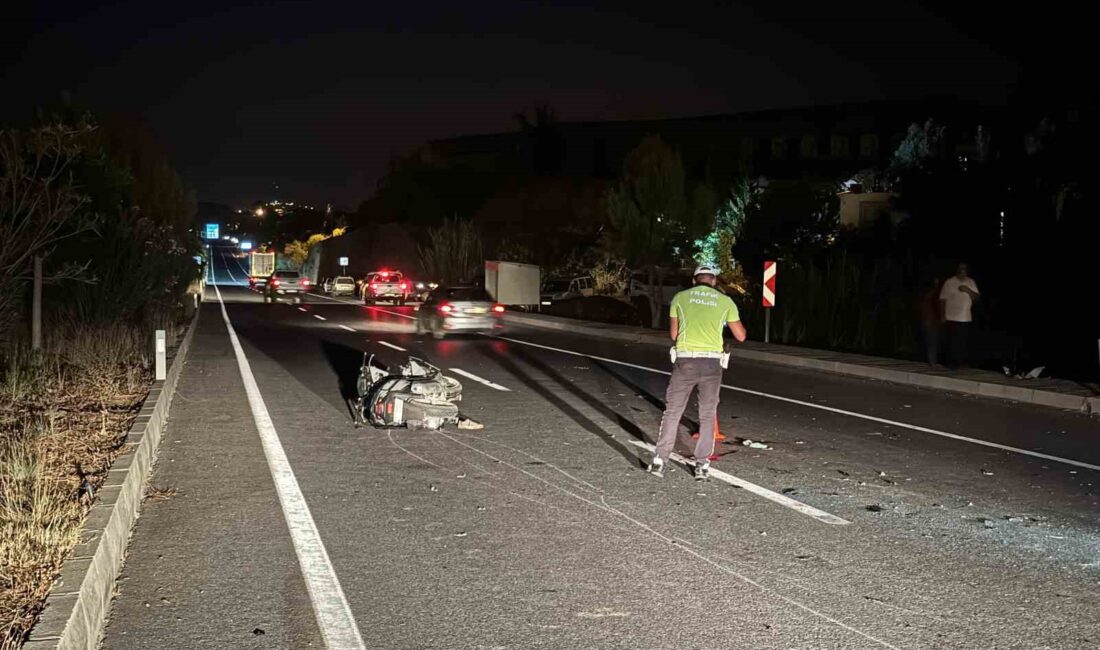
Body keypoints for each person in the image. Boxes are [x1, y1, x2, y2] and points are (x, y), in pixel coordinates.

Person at [647, 264, 746, 481]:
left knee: (672, 411)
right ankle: (702, 465)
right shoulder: (725, 301)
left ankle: (659, 461)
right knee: (707, 415)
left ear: (694, 281)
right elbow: (740, 336)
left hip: (686, 361)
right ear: (713, 281)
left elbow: (674, 334)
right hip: (711, 363)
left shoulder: (680, 298)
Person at [939, 262, 980, 368]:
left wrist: (968, 290)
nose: (963, 271)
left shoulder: (970, 282)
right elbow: (942, 299)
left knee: (962, 341)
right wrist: (943, 315)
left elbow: (976, 297)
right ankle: (950, 363)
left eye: (965, 269)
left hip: (965, 317)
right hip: (950, 316)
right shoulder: (950, 282)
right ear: (957, 270)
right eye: (961, 269)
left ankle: (961, 362)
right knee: (951, 341)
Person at [917, 276, 942, 366]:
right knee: (932, 343)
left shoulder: (936, 294)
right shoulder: (930, 295)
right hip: (930, 322)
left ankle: (933, 362)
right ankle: (932, 362)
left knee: (934, 343)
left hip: (933, 321)